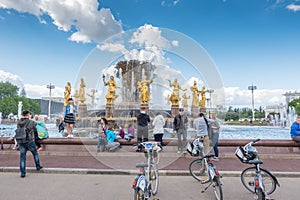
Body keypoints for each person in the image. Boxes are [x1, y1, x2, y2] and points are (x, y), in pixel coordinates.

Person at [16, 110, 43, 178]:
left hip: (21, 141)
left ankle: (23, 173)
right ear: (28, 115)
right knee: (35, 153)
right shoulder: (31, 122)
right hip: (30, 141)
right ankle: (38, 166)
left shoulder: (18, 122)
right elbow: (35, 131)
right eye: (29, 114)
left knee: (22, 157)